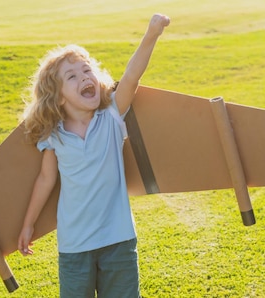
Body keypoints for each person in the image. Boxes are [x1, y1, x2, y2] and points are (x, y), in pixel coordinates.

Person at [17, 14, 170, 298]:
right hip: (75, 247)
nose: (84, 77)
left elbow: (132, 76)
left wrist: (152, 34)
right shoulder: (55, 135)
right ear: (59, 97)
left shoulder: (111, 115)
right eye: (72, 76)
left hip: (119, 241)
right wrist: (28, 223)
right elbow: (46, 179)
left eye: (87, 71)